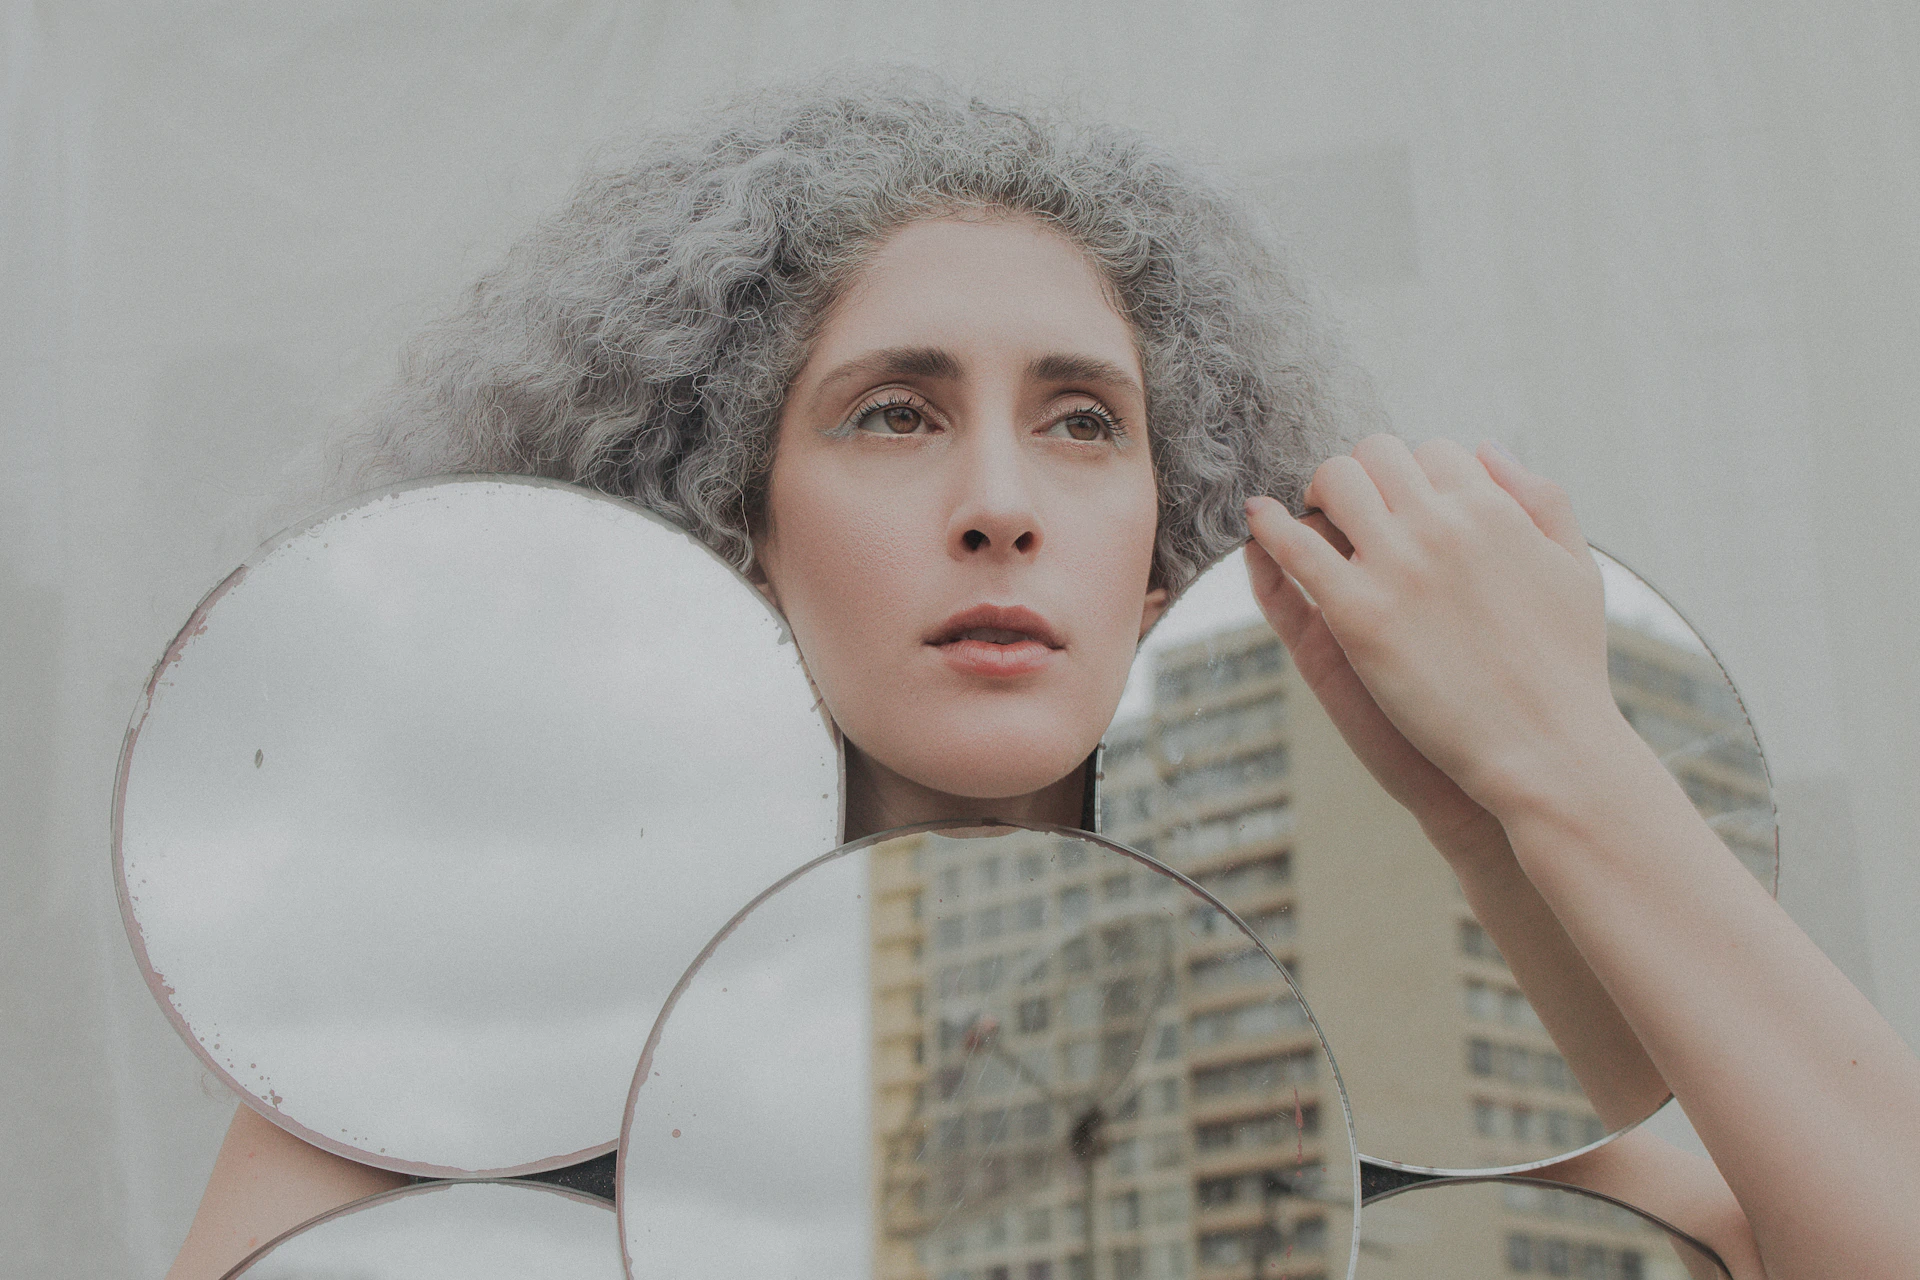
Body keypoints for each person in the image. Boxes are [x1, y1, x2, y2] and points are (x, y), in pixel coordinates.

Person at [168, 77, 1920, 1279]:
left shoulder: (1364, 1062)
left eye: (1085, 424)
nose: (1002, 503)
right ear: (721, 537)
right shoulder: (459, 1070)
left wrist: (1558, 762)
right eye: (895, 415)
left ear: (1169, 571)